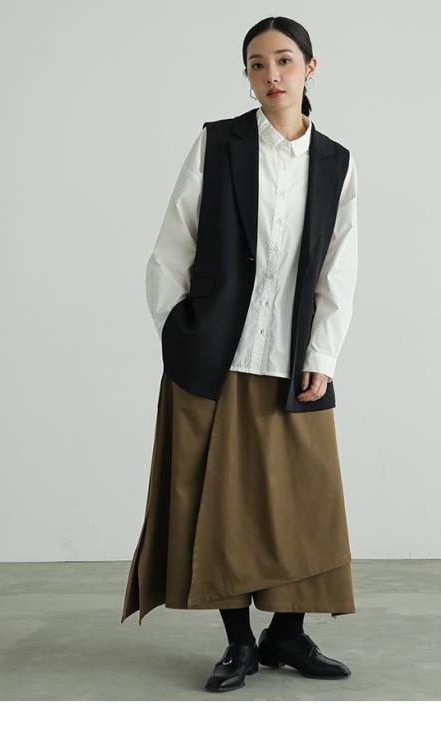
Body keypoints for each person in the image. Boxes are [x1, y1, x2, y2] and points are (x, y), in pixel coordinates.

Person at [120, 15, 359, 693]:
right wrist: (182, 336)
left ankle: (289, 634)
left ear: (310, 68)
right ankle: (239, 643)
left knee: (302, 503)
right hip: (214, 361)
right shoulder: (219, 143)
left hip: (292, 362)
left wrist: (323, 355)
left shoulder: (335, 162)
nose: (271, 75)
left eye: (284, 60)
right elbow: (172, 249)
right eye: (257, 64)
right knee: (216, 503)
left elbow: (339, 269)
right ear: (248, 75)